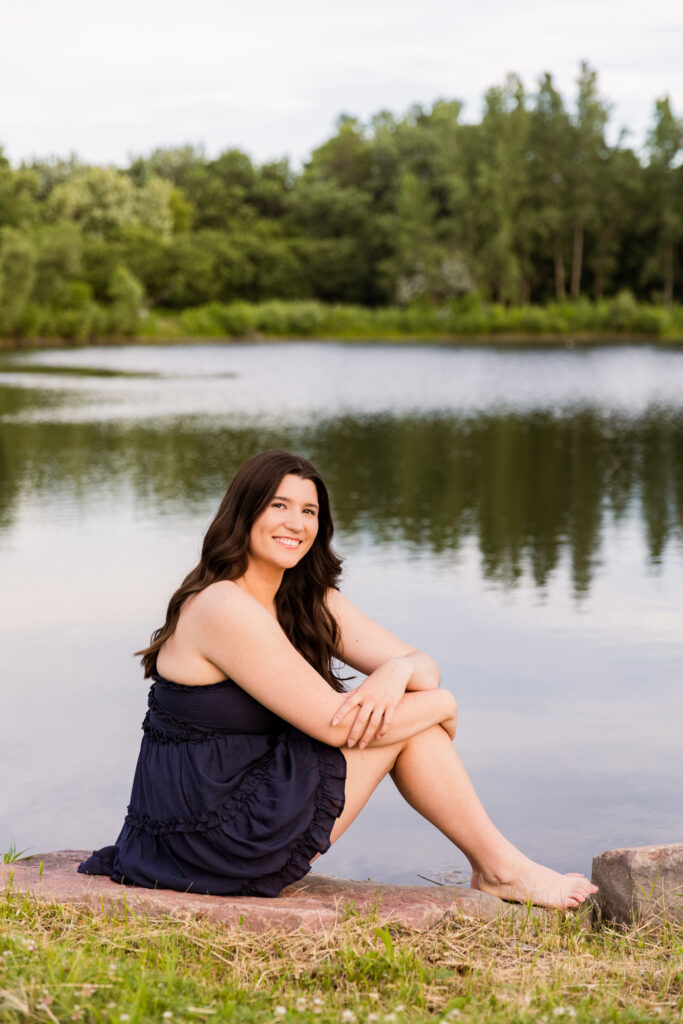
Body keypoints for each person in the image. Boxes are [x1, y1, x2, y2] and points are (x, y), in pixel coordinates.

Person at [79, 450, 598, 909]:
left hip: (247, 803)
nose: (296, 523)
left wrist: (397, 671)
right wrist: (441, 705)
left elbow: (424, 667)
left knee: (409, 714)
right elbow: (337, 726)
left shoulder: (307, 599)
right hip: (209, 836)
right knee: (413, 722)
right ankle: (501, 870)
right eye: (279, 505)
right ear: (245, 513)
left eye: (309, 511)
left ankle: (500, 869)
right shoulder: (222, 605)